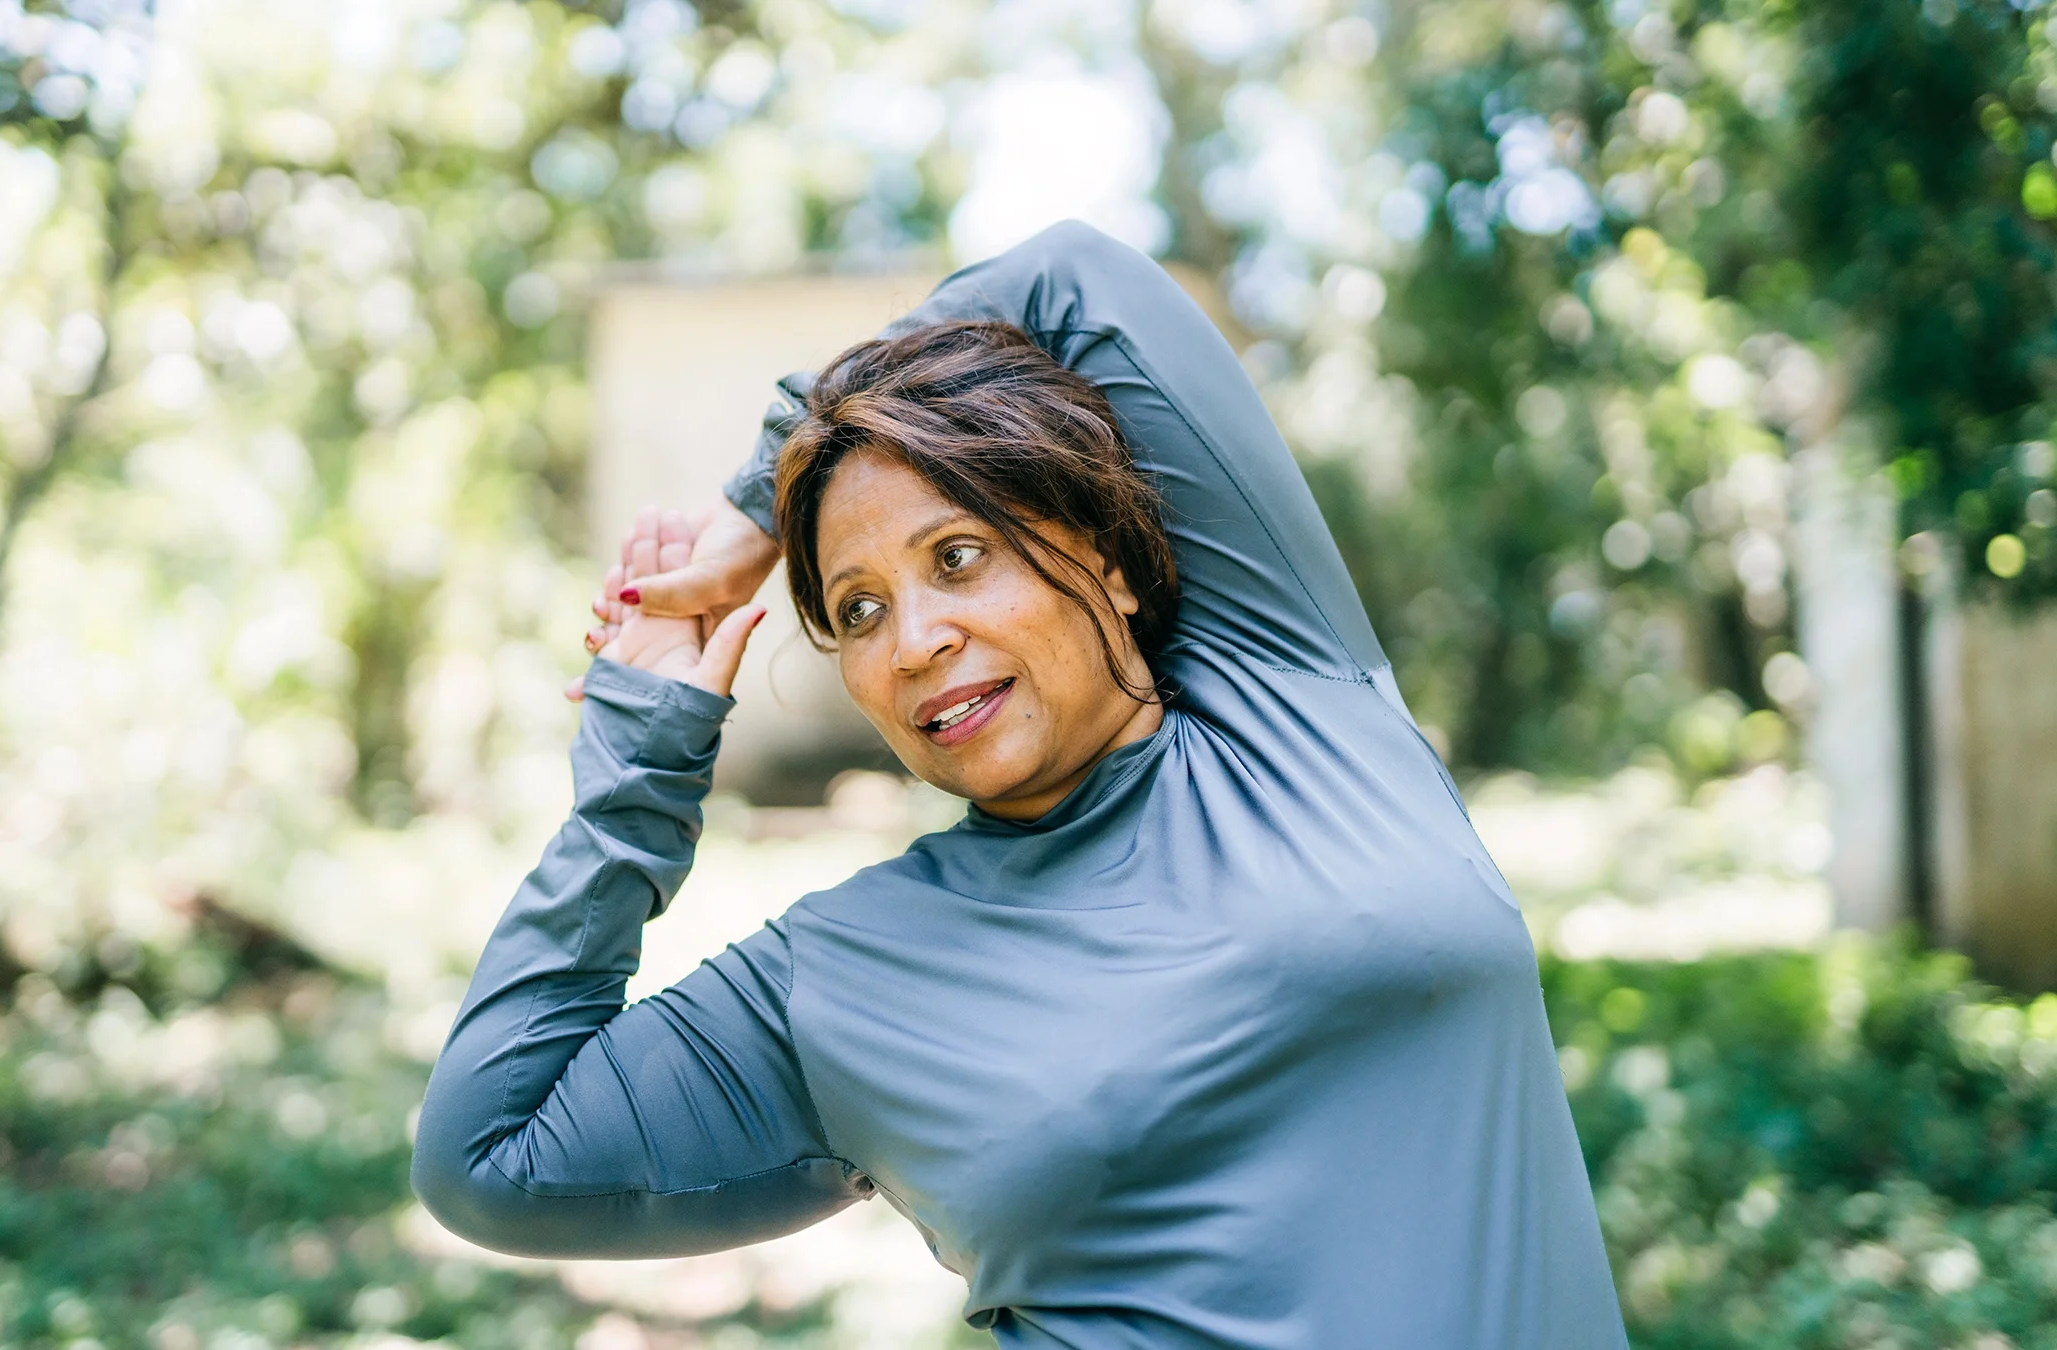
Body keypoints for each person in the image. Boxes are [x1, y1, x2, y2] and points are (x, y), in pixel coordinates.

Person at [410, 220, 1628, 1348]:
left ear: (1103, 561)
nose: (913, 639)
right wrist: (638, 777)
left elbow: (1070, 278)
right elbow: (488, 1158)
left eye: (958, 557)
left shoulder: (1290, 689)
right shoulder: (840, 976)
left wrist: (759, 507)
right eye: (857, 609)